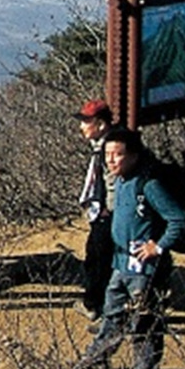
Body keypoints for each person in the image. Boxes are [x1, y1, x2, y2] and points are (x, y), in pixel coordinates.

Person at [80, 126, 185, 369]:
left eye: (118, 154)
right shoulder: (122, 181)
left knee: (143, 320)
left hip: (146, 267)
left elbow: (177, 219)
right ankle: (97, 356)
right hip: (121, 263)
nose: (111, 160)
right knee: (112, 313)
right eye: (108, 155)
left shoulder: (150, 184)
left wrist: (157, 247)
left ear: (134, 155)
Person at [73, 100, 117, 319]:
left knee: (98, 259)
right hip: (111, 211)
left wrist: (108, 210)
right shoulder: (107, 143)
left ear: (100, 124)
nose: (82, 127)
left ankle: (95, 306)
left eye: (86, 122)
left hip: (109, 213)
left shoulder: (111, 148)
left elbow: (114, 182)